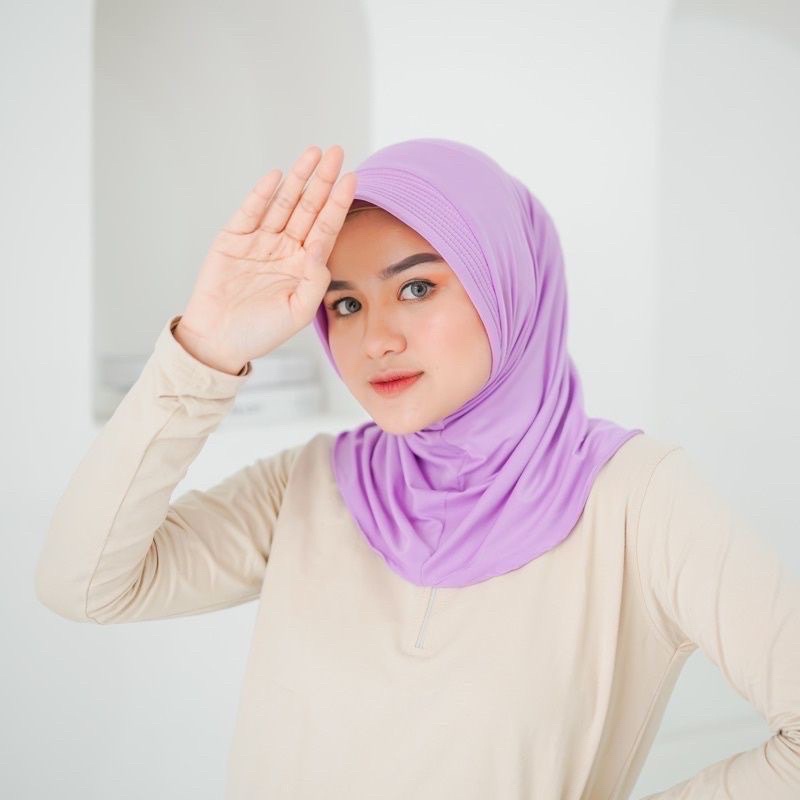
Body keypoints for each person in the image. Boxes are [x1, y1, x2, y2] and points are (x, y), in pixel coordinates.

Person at [35, 139, 800, 798]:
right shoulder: (312, 486)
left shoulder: (636, 497)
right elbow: (85, 584)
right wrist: (205, 346)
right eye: (345, 305)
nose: (376, 340)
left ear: (507, 285)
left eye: (416, 287)